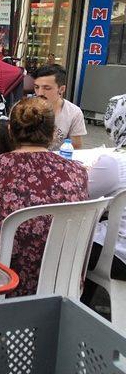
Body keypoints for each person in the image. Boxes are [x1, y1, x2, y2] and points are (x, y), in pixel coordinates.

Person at [0, 97, 88, 296]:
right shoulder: (77, 171)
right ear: (54, 133)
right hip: (63, 283)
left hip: (5, 280)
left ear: (11, 131)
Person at [85, 94, 126, 287]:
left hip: (119, 256)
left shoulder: (115, 162)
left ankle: (77, 303)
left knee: (65, 236)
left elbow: (81, 196)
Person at [32, 64, 86, 150]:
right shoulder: (24, 108)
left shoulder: (74, 112)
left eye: (47, 88)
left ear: (61, 89)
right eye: (36, 87)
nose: (40, 93)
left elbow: (76, 149)